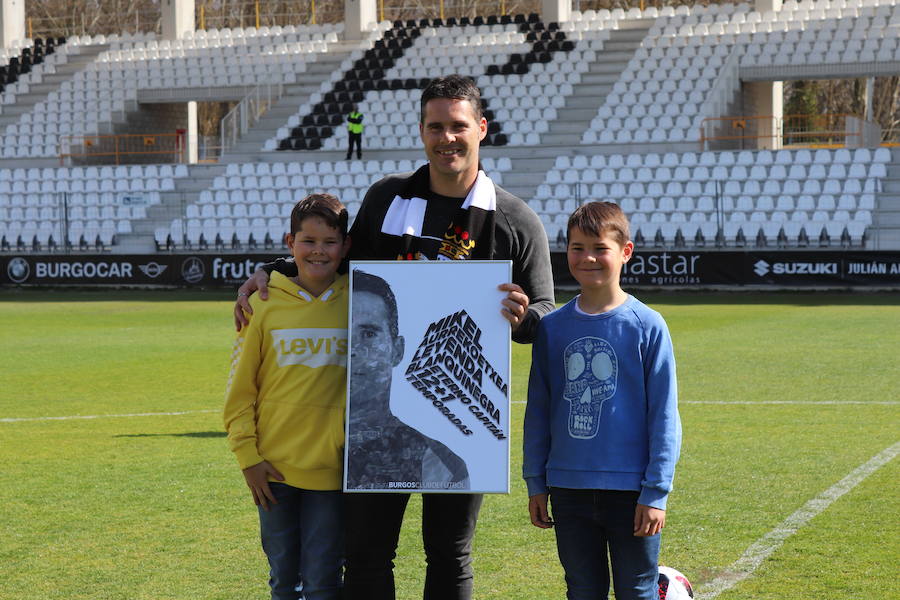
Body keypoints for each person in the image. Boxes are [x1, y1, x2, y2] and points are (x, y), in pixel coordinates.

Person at [234, 74, 555, 600]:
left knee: (449, 555)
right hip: (372, 422)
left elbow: (544, 309)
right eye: (435, 126)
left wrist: (526, 317)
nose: (446, 138)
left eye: (458, 126)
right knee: (365, 555)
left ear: (481, 128)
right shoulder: (387, 199)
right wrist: (273, 268)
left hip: (464, 417)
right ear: (422, 131)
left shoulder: (516, 220)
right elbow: (336, 262)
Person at [523, 201, 682, 600]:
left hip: (631, 491)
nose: (588, 257)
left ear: (625, 252)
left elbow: (664, 416)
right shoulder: (552, 328)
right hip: (567, 487)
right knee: (582, 589)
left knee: (637, 590)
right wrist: (535, 481)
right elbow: (539, 411)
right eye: (577, 247)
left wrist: (655, 492)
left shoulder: (648, 326)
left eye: (599, 247)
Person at [224, 193, 352, 600]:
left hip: (334, 473)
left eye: (330, 242)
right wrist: (248, 459)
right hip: (273, 472)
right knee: (283, 583)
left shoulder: (360, 300)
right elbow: (239, 392)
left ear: (345, 247)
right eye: (308, 241)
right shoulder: (263, 305)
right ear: (289, 243)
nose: (318, 251)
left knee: (324, 583)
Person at [346, 269, 469, 490]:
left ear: (397, 350)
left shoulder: (440, 464)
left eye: (368, 334)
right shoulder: (300, 446)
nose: (353, 349)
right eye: (342, 334)